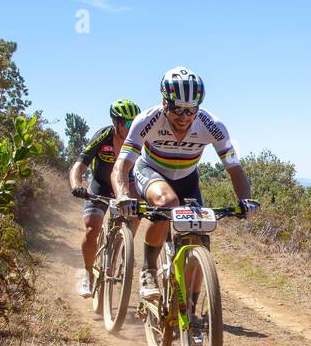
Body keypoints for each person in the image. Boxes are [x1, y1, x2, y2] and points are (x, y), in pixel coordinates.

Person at [109, 67, 255, 300]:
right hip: (151, 171)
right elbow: (121, 166)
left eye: (191, 110)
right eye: (177, 108)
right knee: (167, 202)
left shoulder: (212, 124)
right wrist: (123, 195)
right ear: (164, 102)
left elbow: (234, 167)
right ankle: (148, 270)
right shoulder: (147, 120)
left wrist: (245, 200)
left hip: (188, 179)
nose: (184, 116)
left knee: (200, 240)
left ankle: (192, 310)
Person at [69, 99, 142, 297]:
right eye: (127, 123)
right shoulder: (103, 136)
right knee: (92, 228)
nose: (131, 127)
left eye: (134, 123)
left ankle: (125, 245)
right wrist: (77, 185)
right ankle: (87, 273)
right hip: (100, 185)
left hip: (127, 183)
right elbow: (79, 165)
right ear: (115, 122)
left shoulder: (139, 138)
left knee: (138, 212)